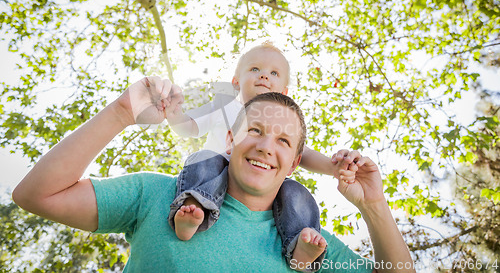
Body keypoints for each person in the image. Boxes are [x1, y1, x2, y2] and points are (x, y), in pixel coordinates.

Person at [12, 77, 415, 272]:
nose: (264, 146)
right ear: (228, 141)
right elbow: (36, 195)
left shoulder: (307, 244)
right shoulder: (159, 195)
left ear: (294, 165)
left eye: (283, 141)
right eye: (254, 131)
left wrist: (375, 206)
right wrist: (122, 112)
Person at [165, 42, 344, 269]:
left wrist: (333, 167)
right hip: (215, 177)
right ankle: (193, 210)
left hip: (261, 179)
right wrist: (174, 114)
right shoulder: (224, 107)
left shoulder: (283, 121)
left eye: (274, 73)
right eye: (255, 69)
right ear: (236, 81)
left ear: (284, 91)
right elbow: (190, 127)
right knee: (202, 159)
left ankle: (300, 245)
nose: (264, 76)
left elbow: (303, 154)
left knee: (295, 192)